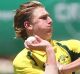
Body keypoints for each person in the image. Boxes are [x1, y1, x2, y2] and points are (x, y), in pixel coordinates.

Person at [13, 1, 80, 74]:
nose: (50, 20)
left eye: (48, 16)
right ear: (28, 25)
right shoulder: (22, 61)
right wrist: (49, 49)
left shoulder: (68, 46)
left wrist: (64, 69)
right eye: (43, 18)